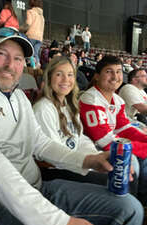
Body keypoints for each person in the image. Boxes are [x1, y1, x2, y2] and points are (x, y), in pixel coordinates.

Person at [0, 27, 144, 225]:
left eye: (18, 59)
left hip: (40, 188)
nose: (10, 65)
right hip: (4, 204)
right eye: (2, 54)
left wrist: (90, 161)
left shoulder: (18, 96)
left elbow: (41, 144)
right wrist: (59, 220)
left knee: (130, 208)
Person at [79, 55, 147, 206]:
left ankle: (143, 202)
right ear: (97, 76)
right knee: (132, 160)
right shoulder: (90, 99)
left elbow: (125, 129)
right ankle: (127, 205)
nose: (115, 76)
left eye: (118, 72)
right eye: (109, 71)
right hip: (90, 146)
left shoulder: (117, 100)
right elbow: (105, 142)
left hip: (107, 142)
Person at [33, 56, 108, 185]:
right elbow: (52, 154)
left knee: (115, 172)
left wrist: (95, 156)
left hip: (74, 162)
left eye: (70, 75)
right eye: (59, 74)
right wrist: (87, 162)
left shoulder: (70, 105)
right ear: (49, 78)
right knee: (109, 181)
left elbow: (80, 139)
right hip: (55, 170)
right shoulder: (43, 108)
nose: (66, 80)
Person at [26, 0, 45, 68]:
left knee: (29, 52)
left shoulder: (31, 12)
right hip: (39, 38)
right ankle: (37, 66)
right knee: (35, 53)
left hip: (31, 36)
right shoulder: (42, 17)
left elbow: (28, 24)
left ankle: (29, 66)